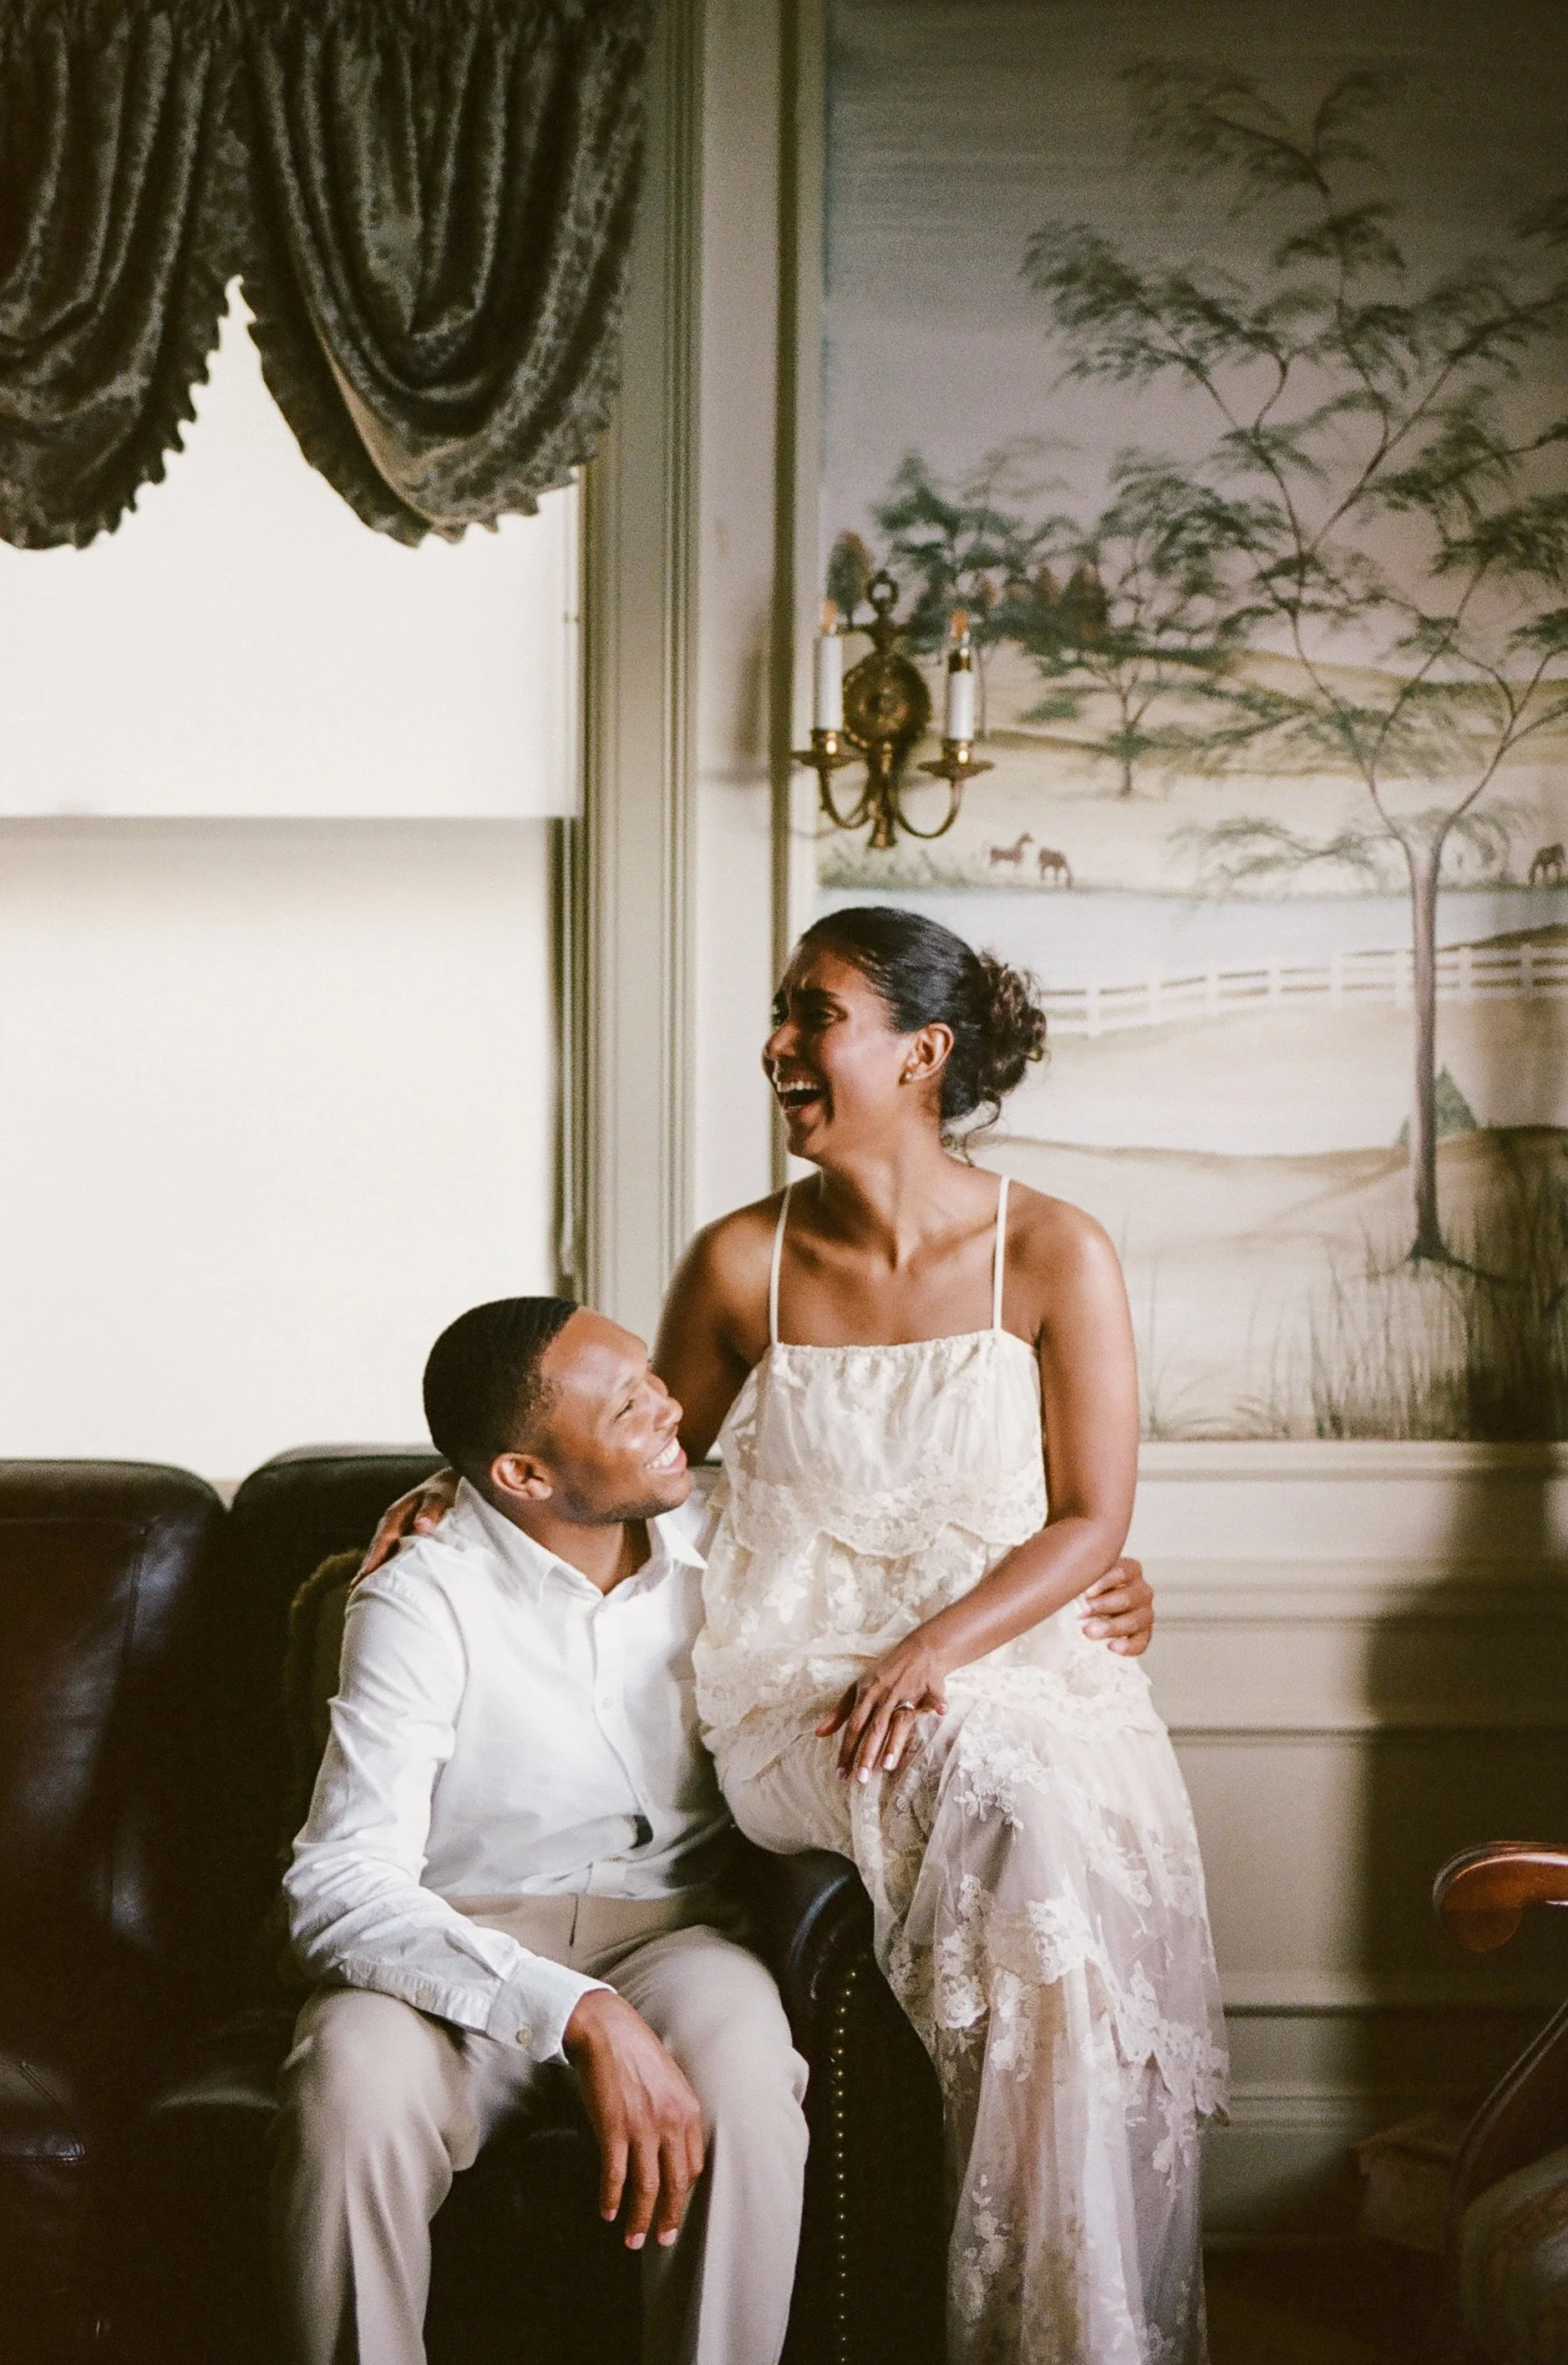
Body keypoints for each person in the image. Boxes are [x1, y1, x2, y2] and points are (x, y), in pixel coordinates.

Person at [653, 906, 1228, 2365]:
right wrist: (453, 1494)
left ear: (922, 1053)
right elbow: (628, 1469)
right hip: (807, 1699)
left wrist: (938, 1650)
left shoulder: (1054, 1247)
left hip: (1017, 1673)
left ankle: (1065, 2311)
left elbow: (1090, 1518)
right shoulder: (737, 1264)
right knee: (1008, 1791)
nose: (777, 1044)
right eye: (780, 1013)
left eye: (813, 1015)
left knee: (1042, 1799)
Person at [272, 1297, 811, 2365]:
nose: (671, 1409)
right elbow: (336, 1882)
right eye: (626, 1407)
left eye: (651, 1377)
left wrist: (1084, 1585)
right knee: (347, 2083)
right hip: (453, 1943)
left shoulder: (734, 1538)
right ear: (521, 1474)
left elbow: (914, 1572)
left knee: (747, 2074)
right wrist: (578, 2011)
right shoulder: (419, 1596)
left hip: (676, 1935)